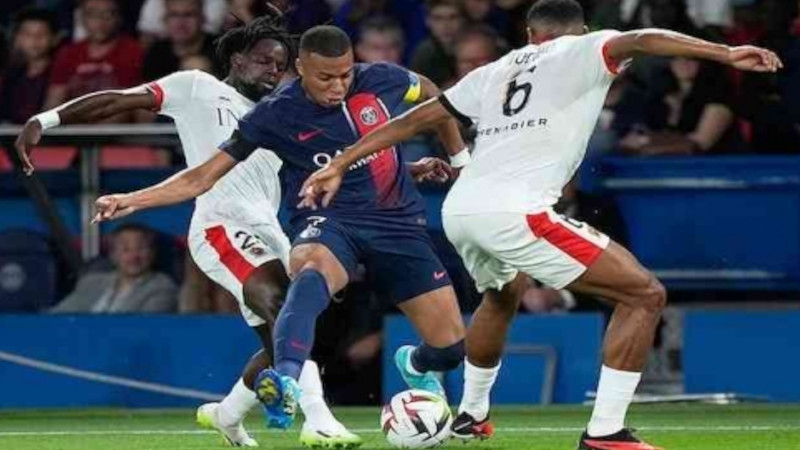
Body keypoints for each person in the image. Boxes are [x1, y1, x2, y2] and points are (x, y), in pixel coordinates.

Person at [297, 1, 782, 448]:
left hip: (461, 209)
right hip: (514, 211)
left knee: (503, 294)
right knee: (644, 294)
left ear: (530, 34)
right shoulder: (582, 49)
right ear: (583, 31)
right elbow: (641, 38)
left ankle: (470, 415)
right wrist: (724, 51)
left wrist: (342, 160)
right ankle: (606, 433)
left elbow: (420, 117)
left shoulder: (493, 70)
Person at [87, 24, 468, 430]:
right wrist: (129, 200)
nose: (338, 86)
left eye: (345, 74)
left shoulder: (382, 79)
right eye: (325, 77)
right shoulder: (275, 114)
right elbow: (202, 177)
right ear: (301, 68)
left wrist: (459, 160)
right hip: (331, 220)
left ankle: (415, 361)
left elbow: (434, 96)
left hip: (396, 225)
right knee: (308, 271)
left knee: (450, 349)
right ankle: (286, 380)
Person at [15, 15, 360, 449]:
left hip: (270, 230)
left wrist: (409, 166)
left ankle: (226, 416)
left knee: (285, 339)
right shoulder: (197, 87)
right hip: (221, 224)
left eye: (280, 66)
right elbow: (119, 100)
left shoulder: (281, 115)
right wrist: (46, 121)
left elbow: (329, 163)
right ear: (237, 59)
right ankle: (319, 419)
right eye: (264, 62)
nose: (273, 72)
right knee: (282, 304)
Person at [44, 0, 143, 119]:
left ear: (119, 18)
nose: (100, 21)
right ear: (82, 18)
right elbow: (54, 103)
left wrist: (93, 134)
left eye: (108, 14)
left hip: (114, 131)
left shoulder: (132, 51)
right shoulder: (68, 53)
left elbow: (124, 107)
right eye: (92, 14)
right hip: (71, 128)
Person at [50, 223, 177, 313]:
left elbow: (143, 327)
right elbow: (59, 315)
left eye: (141, 248)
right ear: (113, 255)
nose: (134, 256)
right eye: (125, 249)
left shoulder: (162, 286)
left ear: (152, 253)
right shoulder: (91, 282)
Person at [0, 8, 59, 125]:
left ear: (54, 38)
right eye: (27, 34)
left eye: (42, 34)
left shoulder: (59, 72)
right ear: (17, 38)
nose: (34, 40)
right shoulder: (10, 75)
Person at [142, 0, 220, 81]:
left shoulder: (221, 49)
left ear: (202, 19)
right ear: (165, 20)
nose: (181, 22)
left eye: (188, 15)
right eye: (174, 15)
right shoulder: (156, 52)